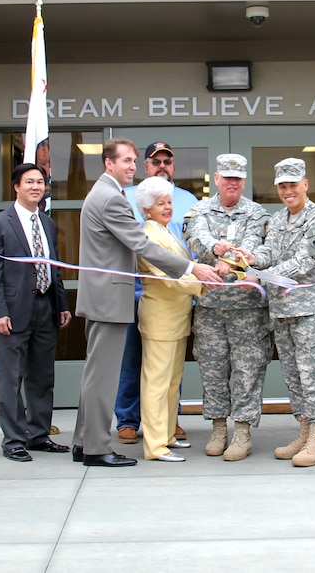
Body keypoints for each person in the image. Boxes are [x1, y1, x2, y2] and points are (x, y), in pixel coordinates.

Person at [70, 139, 219, 468]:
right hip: (108, 298)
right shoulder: (110, 198)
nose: (131, 166)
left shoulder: (107, 194)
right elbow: (139, 243)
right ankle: (95, 448)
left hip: (104, 297)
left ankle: (84, 442)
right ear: (108, 164)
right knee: (103, 377)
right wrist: (192, 267)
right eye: (125, 161)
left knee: (95, 375)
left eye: (134, 161)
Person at [239, 158, 315, 468]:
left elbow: (303, 262)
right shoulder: (279, 219)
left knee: (314, 376)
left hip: (312, 313)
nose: (287, 191)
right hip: (283, 312)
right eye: (282, 186)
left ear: (305, 185)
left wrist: (260, 276)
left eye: (293, 185)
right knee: (294, 378)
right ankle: (304, 431)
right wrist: (252, 258)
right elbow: (270, 251)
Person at [0, 163, 72, 462]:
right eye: (30, 182)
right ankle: (14, 440)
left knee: (42, 376)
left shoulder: (46, 222)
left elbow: (53, 266)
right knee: (11, 377)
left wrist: (61, 304)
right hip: (14, 311)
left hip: (45, 307)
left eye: (41, 182)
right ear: (16, 187)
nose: (36, 186)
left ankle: (39, 434)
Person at [184, 153, 270, 461]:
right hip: (210, 307)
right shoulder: (200, 209)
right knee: (213, 369)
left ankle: (243, 431)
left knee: (247, 370)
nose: (231, 183)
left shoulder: (257, 213)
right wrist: (213, 248)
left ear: (243, 181)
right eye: (226, 177)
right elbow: (194, 236)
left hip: (247, 309)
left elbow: (253, 245)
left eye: (237, 178)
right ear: (216, 179)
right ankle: (219, 427)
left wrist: (232, 256)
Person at [115, 141, 198, 446]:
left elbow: (191, 244)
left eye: (168, 161)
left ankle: (168, 420)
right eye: (156, 161)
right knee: (134, 360)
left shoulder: (188, 199)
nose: (163, 165)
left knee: (168, 366)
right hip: (138, 287)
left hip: (176, 291)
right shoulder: (128, 198)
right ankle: (127, 419)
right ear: (146, 167)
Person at [133, 177, 204, 462]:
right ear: (146, 209)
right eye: (160, 203)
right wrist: (204, 285)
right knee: (156, 383)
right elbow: (168, 277)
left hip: (177, 317)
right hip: (159, 318)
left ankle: (166, 435)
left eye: (169, 202)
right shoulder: (148, 235)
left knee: (172, 382)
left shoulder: (168, 231)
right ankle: (154, 446)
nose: (167, 207)